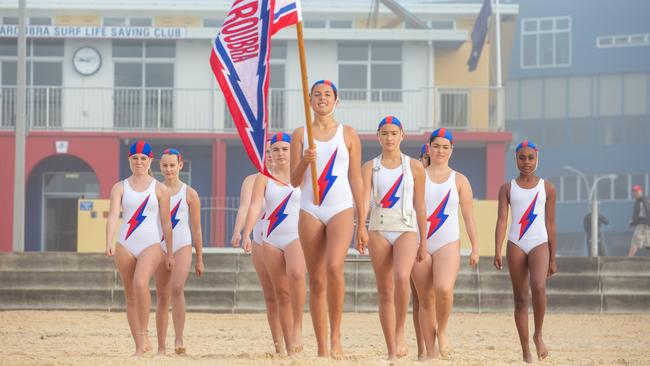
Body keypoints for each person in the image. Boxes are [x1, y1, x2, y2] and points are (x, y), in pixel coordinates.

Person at [290, 80, 364, 358]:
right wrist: (304, 161)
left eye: (327, 95)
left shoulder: (349, 134)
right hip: (310, 208)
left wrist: (362, 221)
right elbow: (295, 182)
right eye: (317, 94)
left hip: (341, 208)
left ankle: (336, 336)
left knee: (334, 267)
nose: (322, 98)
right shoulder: (300, 134)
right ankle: (322, 347)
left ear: (337, 100)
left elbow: (356, 178)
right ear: (309, 100)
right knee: (317, 279)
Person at [356, 116, 427, 360]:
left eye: (393, 133)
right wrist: (361, 228)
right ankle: (390, 349)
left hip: (406, 227)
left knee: (401, 277)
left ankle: (400, 333)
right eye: (384, 133)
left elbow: (420, 204)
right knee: (385, 290)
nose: (389, 138)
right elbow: (365, 201)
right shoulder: (369, 167)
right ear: (378, 136)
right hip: (378, 227)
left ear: (402, 135)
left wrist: (424, 240)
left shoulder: (414, 167)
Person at [410, 128, 479, 360]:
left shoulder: (460, 180)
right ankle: (429, 352)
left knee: (443, 289)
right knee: (425, 299)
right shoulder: (417, 175)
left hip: (448, 243)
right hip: (419, 243)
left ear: (452, 150)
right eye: (436, 146)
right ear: (429, 148)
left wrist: (475, 247)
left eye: (445, 147)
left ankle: (443, 331)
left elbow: (469, 217)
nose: (440, 151)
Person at [105, 140, 174, 356]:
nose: (139, 162)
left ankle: (145, 334)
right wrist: (108, 240)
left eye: (143, 158)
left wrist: (170, 252)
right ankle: (139, 346)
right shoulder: (120, 187)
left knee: (141, 282)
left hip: (151, 244)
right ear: (129, 160)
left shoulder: (160, 189)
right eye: (135, 158)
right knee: (130, 294)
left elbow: (166, 223)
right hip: (125, 244)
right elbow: (114, 215)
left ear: (150, 160)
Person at [242, 133, 306, 355]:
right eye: (276, 149)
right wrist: (246, 233)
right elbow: (253, 207)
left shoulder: (304, 174)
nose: (280, 153)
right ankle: (286, 348)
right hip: (270, 239)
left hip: (296, 236)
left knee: (297, 274)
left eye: (285, 149)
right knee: (281, 294)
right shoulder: (263, 178)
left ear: (292, 152)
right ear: (269, 153)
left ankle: (298, 326)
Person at [494, 140, 557, 363]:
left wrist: (553, 257)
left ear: (537, 158)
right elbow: (502, 220)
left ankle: (538, 335)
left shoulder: (547, 188)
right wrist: (497, 250)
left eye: (530, 158)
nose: (526, 162)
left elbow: (550, 224)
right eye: (522, 158)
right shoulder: (507, 188)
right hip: (516, 244)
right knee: (520, 298)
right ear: (515, 159)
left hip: (540, 242)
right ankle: (525, 351)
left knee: (538, 286)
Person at [231, 143, 284, 353]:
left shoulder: (290, 177)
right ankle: (278, 343)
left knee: (286, 292)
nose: (272, 156)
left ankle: (292, 337)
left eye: (276, 151)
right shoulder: (252, 180)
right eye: (268, 153)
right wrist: (239, 232)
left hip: (285, 240)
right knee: (270, 295)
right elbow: (245, 207)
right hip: (261, 239)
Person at [153, 148, 205, 355]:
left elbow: (196, 228)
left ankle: (179, 338)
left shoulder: (190, 194)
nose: (168, 169)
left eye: (172, 165)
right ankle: (161, 346)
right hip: (159, 246)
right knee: (162, 294)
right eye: (165, 165)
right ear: (159, 167)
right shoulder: (155, 191)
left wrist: (199, 258)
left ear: (180, 166)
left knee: (176, 288)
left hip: (182, 245)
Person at [411, 143, 429, 360]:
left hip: (437, 242)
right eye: (425, 157)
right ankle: (421, 347)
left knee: (433, 297)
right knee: (418, 298)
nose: (429, 161)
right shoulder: (412, 181)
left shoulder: (446, 180)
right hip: (413, 242)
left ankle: (433, 340)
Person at [628, 185, 650, 256]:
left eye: (636, 191)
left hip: (643, 225)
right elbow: (638, 214)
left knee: (635, 242)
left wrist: (648, 223)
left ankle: (627, 260)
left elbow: (647, 211)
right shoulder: (639, 201)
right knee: (648, 244)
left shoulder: (643, 200)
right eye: (634, 191)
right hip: (643, 224)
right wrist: (632, 223)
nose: (635, 193)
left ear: (641, 191)